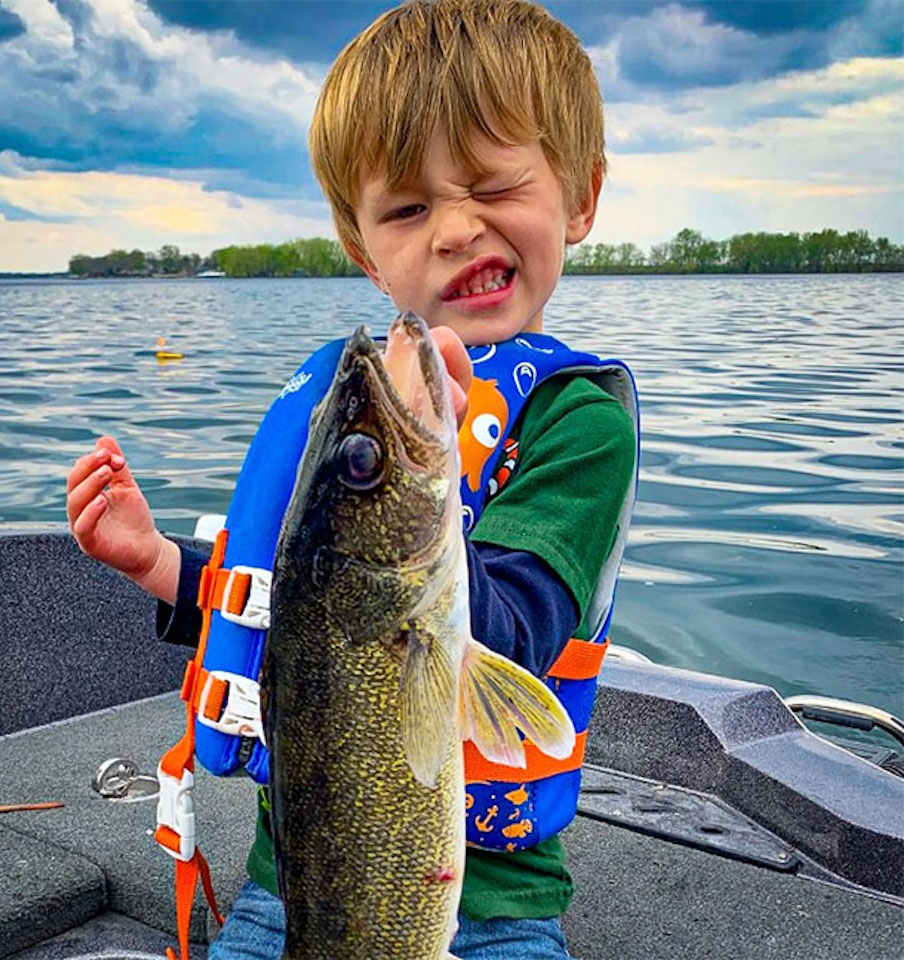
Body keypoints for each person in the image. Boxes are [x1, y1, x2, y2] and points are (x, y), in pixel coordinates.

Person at [66, 2, 636, 958]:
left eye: (494, 185)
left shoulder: (580, 425)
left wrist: (432, 474)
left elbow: (512, 638)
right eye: (409, 209)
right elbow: (305, 606)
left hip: (491, 914)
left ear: (579, 198)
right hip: (283, 890)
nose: (456, 228)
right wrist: (164, 564)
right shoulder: (345, 413)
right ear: (365, 250)